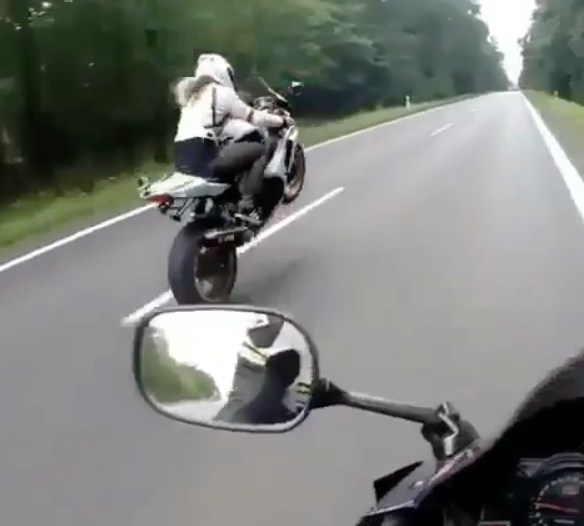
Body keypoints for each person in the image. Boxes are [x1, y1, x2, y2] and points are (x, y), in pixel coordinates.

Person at [170, 53, 293, 228]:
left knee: (228, 157)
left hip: (181, 158)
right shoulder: (221, 92)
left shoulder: (191, 98)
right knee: (261, 148)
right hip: (204, 153)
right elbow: (254, 117)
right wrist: (280, 121)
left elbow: (214, 125)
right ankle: (248, 202)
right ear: (221, 72)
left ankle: (208, 208)